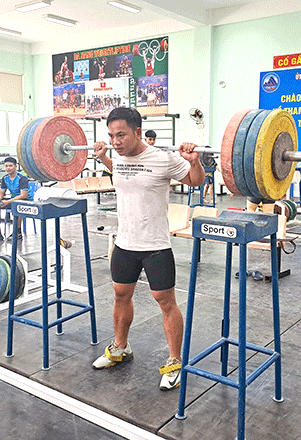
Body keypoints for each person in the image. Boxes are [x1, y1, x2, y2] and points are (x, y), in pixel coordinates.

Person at [91, 107, 205, 391]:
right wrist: (104, 156)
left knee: (165, 302)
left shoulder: (163, 158)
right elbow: (120, 172)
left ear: (138, 133)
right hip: (125, 243)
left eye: (121, 135)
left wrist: (194, 162)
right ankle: (120, 347)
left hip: (155, 245)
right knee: (120, 295)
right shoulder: (117, 157)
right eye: (111, 136)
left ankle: (175, 360)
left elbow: (196, 181)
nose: (115, 141)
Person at [0, 157, 29, 241]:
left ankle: (17, 232)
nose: (8, 168)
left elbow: (24, 195)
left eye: (10, 166)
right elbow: (1, 193)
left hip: (24, 200)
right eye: (6, 166)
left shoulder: (22, 178)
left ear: (15, 166)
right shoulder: (5, 178)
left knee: (17, 204)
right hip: (12, 199)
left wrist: (7, 202)